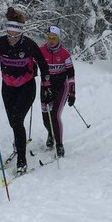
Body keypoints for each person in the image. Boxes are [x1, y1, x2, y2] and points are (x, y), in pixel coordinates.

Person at [0, 7, 50, 175]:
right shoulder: (0, 43)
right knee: (13, 122)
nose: (12, 38)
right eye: (9, 34)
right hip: (8, 88)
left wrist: (46, 83)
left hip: (27, 87)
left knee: (17, 120)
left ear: (21, 32)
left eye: (15, 35)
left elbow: (43, 64)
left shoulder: (29, 45)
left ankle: (22, 159)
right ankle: (18, 142)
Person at [39, 25, 76, 157]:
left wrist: (72, 92)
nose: (51, 40)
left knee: (54, 115)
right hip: (45, 86)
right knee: (45, 117)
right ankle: (51, 133)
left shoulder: (65, 53)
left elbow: (71, 73)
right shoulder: (41, 50)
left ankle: (59, 145)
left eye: (54, 37)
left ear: (58, 38)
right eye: (49, 37)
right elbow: (31, 64)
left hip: (61, 87)